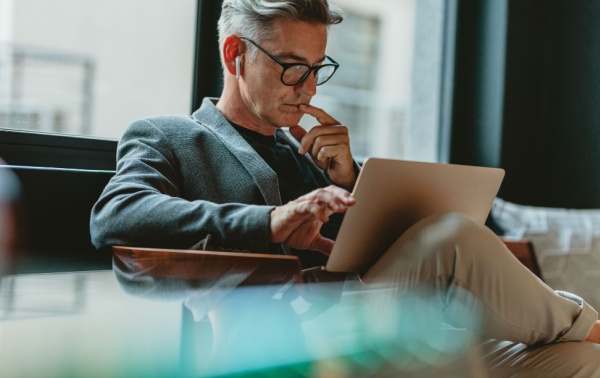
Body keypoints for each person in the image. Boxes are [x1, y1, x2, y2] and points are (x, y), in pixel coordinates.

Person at [90, 0, 600, 375]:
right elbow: (116, 215)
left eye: (317, 70)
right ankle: (586, 318)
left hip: (387, 327)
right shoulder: (170, 136)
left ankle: (582, 332)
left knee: (580, 362)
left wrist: (354, 180)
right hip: (290, 341)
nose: (308, 88)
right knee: (451, 239)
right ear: (234, 54)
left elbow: (373, 259)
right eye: (293, 68)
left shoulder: (311, 155)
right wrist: (270, 223)